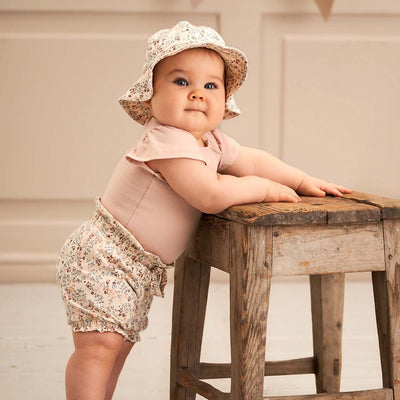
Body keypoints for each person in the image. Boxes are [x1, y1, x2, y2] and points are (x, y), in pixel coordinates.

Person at [56, 20, 351, 399]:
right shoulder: (165, 141)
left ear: (225, 99)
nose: (197, 93)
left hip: (137, 267)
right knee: (99, 349)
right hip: (106, 258)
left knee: (116, 348)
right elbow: (209, 194)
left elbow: (254, 159)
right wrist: (264, 188)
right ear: (150, 96)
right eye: (181, 82)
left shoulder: (210, 141)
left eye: (211, 85)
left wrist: (301, 179)